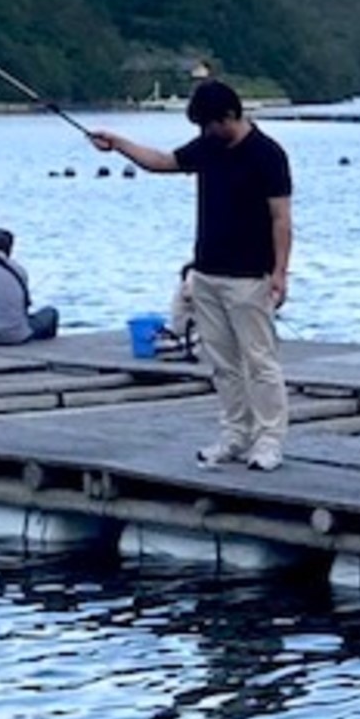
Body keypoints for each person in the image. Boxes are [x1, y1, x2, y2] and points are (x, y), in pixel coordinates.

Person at [90, 80, 292, 471]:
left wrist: (280, 273)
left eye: (210, 125)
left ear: (230, 116)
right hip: (206, 272)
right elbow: (162, 162)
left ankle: (269, 440)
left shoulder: (267, 154)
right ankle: (235, 434)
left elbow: (281, 219)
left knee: (260, 361)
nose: (205, 133)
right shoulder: (208, 147)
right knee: (222, 362)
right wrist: (117, 143)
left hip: (250, 275)